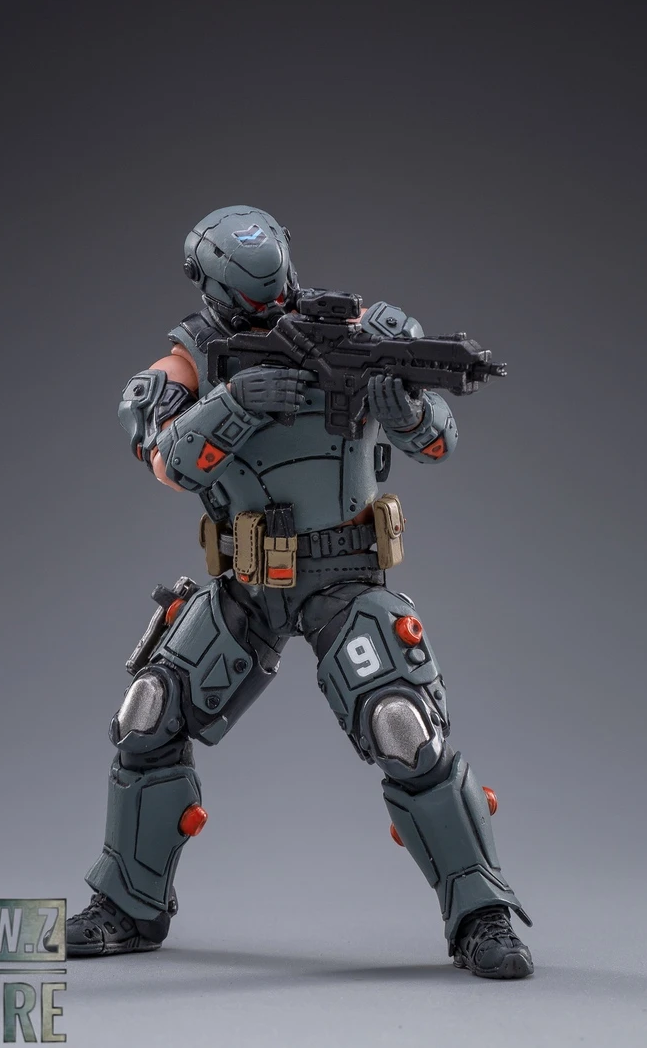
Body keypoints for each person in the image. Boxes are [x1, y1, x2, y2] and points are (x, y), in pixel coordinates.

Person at [67, 205, 533, 978]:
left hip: (343, 577)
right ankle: (128, 905)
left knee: (404, 726)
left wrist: (408, 409)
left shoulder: (363, 328)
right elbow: (167, 460)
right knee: (149, 712)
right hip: (248, 582)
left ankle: (483, 912)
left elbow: (439, 440)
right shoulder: (191, 361)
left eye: (277, 293)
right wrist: (238, 400)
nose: (272, 310)